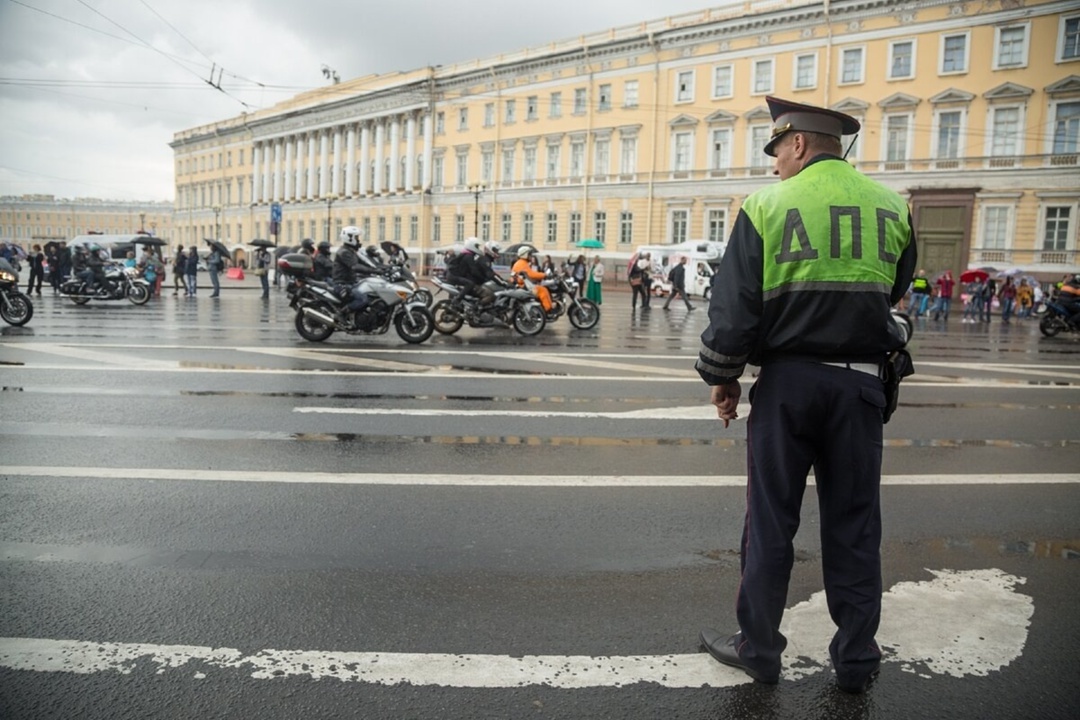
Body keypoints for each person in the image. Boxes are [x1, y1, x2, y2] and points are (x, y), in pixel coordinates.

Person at [695, 95, 916, 695]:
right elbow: (896, 286)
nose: (773, 165)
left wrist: (723, 376)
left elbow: (735, 307)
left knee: (770, 524)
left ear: (797, 144)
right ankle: (856, 661)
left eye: (776, 150)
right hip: (862, 386)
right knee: (854, 526)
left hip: (788, 385)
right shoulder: (893, 206)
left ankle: (760, 650)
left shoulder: (765, 206)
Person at [510, 246, 552, 312]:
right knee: (543, 290)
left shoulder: (522, 262)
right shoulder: (522, 263)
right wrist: (544, 275)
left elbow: (529, 274)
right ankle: (547, 309)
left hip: (522, 284)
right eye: (529, 254)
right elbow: (531, 274)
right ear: (525, 255)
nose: (531, 256)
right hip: (523, 286)